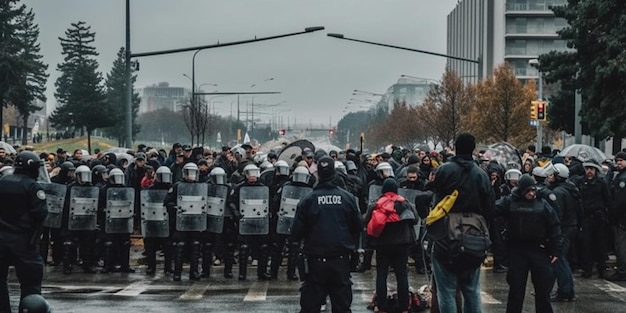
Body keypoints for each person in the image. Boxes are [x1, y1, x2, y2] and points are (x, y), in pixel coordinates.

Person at [431, 133, 495, 313]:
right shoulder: (481, 174)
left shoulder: (444, 170)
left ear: (456, 148)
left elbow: (436, 203)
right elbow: (490, 207)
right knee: (472, 290)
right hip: (475, 234)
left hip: (446, 234)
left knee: (446, 290)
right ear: (473, 149)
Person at [291, 156, 363, 313]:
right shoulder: (348, 198)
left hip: (315, 261)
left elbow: (295, 232)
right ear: (334, 173)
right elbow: (358, 226)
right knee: (342, 306)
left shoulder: (308, 200)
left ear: (318, 174)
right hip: (341, 260)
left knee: (310, 307)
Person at [495, 174, 562, 313]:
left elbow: (554, 227)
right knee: (516, 289)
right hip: (517, 250)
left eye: (533, 190)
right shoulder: (510, 202)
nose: (532, 193)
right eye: (528, 191)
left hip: (539, 249)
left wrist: (555, 250)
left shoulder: (542, 204)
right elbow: (492, 210)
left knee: (543, 289)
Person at [0, 152, 48, 313]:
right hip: (24, 241)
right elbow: (40, 213)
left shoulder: (3, 181)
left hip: (1, 239)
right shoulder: (33, 186)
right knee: (31, 284)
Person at [365, 178, 418, 313]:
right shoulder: (404, 203)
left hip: (382, 246)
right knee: (402, 275)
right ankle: (404, 306)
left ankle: (382, 306)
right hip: (402, 246)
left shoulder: (376, 204)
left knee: (381, 274)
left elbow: (366, 221)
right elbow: (415, 219)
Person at [609, 151, 626, 281]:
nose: (619, 163)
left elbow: (620, 201)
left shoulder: (622, 178)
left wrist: (615, 217)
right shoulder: (620, 176)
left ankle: (622, 271)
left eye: (621, 161)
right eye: (617, 161)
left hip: (622, 218)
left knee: (620, 245)